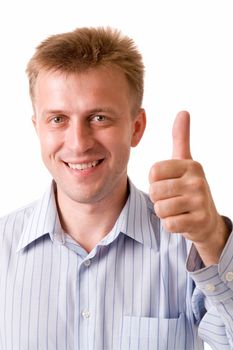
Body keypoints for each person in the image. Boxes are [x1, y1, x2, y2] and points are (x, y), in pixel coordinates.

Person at [0, 27, 232, 350]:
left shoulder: (186, 246)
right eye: (58, 119)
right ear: (37, 127)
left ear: (136, 128)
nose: (78, 143)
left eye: (98, 117)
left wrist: (215, 240)